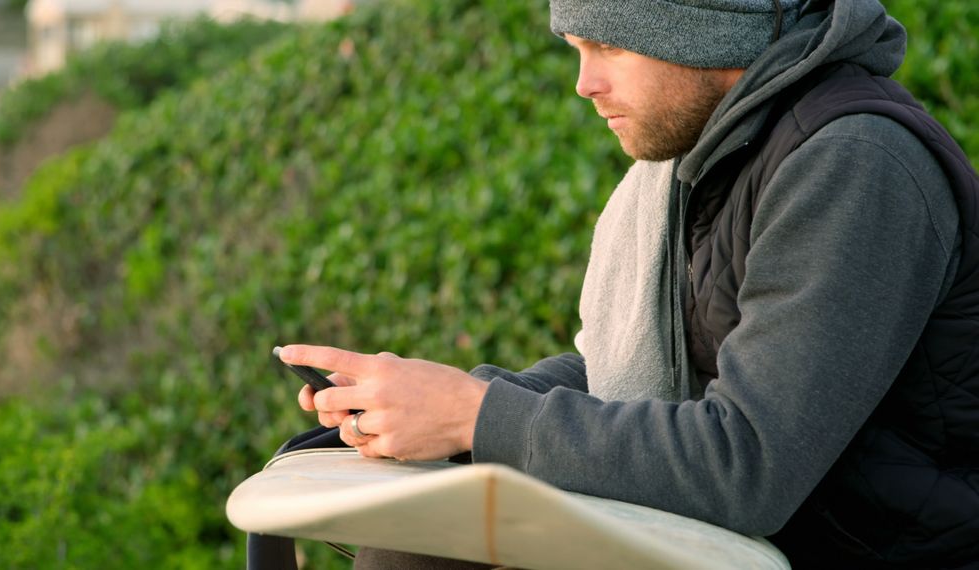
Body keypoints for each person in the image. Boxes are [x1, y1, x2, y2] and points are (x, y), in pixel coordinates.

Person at [276, 0, 979, 567]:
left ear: (705, 27)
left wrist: (476, 414)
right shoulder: (712, 158)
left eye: (609, 46)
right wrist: (426, 408)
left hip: (852, 550)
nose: (584, 84)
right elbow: (628, 372)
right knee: (411, 542)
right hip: (729, 546)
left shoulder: (853, 164)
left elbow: (746, 467)